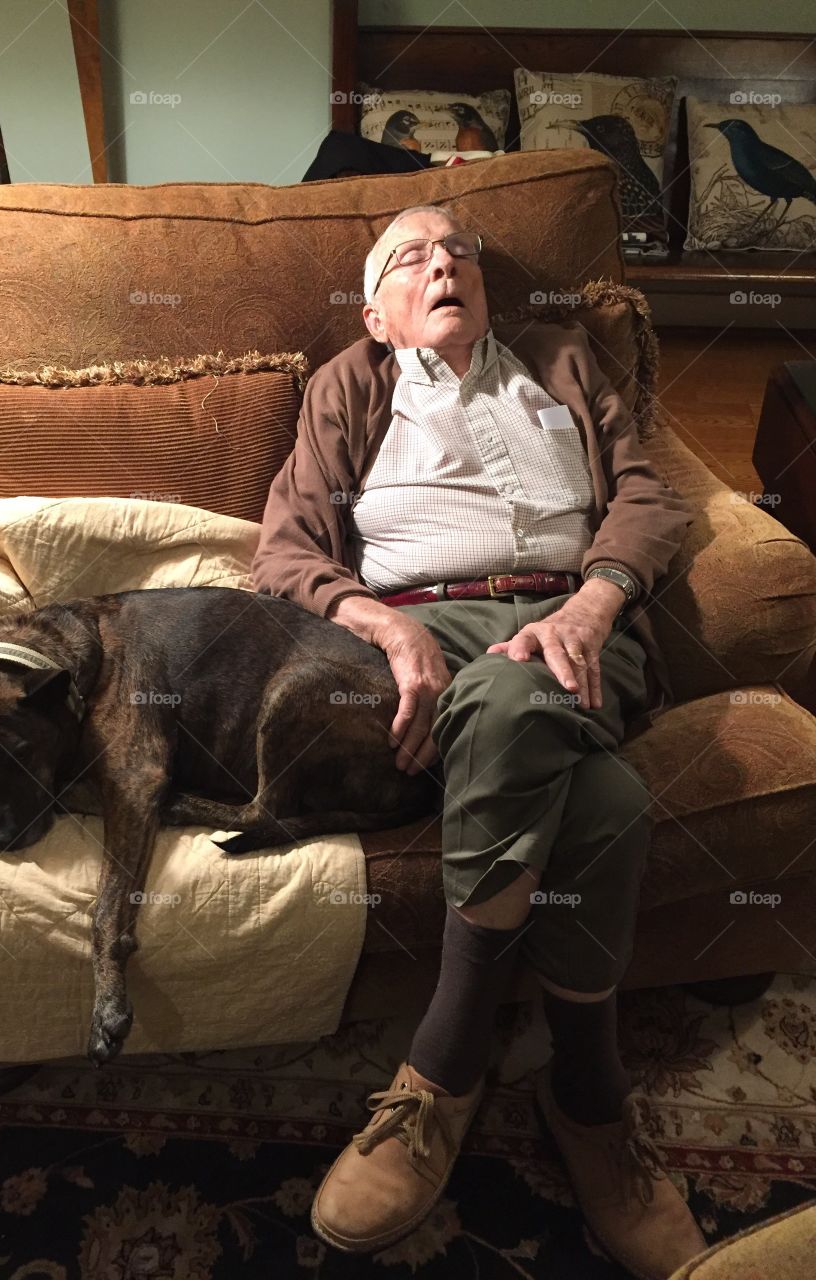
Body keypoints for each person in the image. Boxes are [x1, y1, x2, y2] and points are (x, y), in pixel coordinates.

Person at [251, 203, 705, 1279]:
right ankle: (588, 1096)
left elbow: (647, 496)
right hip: (428, 624)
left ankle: (442, 1067)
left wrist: (595, 605)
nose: (445, 261)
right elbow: (284, 554)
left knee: (511, 701)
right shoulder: (348, 386)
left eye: (459, 250)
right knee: (606, 806)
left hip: (574, 619)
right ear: (376, 309)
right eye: (413, 255)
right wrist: (388, 624)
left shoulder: (560, 357)